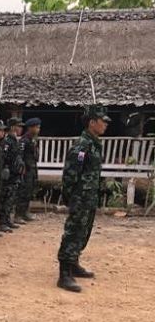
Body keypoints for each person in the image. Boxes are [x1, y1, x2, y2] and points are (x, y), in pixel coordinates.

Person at [56, 105, 108, 293]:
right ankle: (64, 274)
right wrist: (71, 197)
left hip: (89, 196)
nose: (106, 125)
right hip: (80, 197)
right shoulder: (82, 145)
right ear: (92, 122)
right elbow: (70, 174)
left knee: (83, 232)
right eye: (103, 121)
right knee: (73, 232)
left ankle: (74, 263)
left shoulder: (94, 144)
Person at [0, 117, 26, 232]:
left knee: (11, 198)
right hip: (8, 175)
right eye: (19, 126)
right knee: (5, 198)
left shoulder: (15, 140)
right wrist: (5, 169)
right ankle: (2, 222)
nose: (21, 129)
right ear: (13, 127)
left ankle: (7, 219)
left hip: (15, 174)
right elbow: (3, 157)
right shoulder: (7, 141)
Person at [16, 118, 41, 222]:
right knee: (23, 192)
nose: (38, 129)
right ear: (31, 128)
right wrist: (22, 168)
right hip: (26, 169)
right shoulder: (24, 140)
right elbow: (20, 156)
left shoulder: (33, 139)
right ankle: (18, 215)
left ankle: (25, 212)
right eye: (37, 127)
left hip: (32, 168)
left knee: (29, 192)